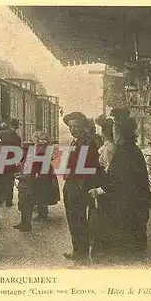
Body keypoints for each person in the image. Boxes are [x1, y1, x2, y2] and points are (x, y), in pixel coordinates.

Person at [89, 111, 151, 265]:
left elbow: (119, 181)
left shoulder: (126, 152)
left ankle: (115, 255)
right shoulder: (129, 149)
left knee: (101, 210)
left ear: (121, 134)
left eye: (115, 131)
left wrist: (100, 190)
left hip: (129, 202)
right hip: (133, 198)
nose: (113, 134)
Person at [62, 111, 101, 265]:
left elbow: (90, 167)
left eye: (76, 126)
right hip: (71, 184)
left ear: (83, 126)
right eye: (71, 126)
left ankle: (81, 254)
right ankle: (77, 250)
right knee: (73, 219)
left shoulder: (87, 142)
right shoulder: (76, 141)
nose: (73, 129)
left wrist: (80, 187)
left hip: (79, 186)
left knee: (78, 220)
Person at [32, 131, 60, 222]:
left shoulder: (40, 147)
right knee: (44, 193)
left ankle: (42, 215)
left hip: (41, 172)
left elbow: (38, 161)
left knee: (41, 193)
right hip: (47, 172)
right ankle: (43, 213)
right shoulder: (46, 146)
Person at [0, 120, 22, 207]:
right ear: (16, 127)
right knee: (9, 182)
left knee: (0, 181)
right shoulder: (17, 137)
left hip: (0, 161)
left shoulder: (1, 134)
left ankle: (0, 200)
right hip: (10, 163)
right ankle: (8, 202)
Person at [14, 141, 36, 232]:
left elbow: (29, 176)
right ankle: (23, 223)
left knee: (27, 207)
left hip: (27, 187)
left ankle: (27, 225)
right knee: (22, 205)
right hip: (23, 187)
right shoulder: (25, 160)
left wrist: (19, 177)